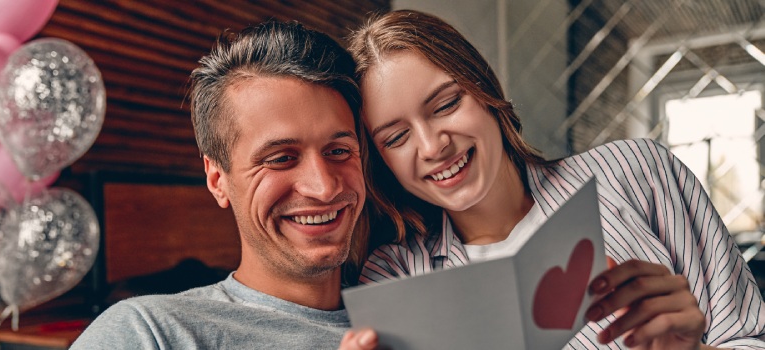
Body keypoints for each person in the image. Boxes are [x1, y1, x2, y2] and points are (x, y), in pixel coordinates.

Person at [348, 9, 765, 349]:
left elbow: (749, 337)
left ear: (483, 89)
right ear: (383, 160)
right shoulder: (395, 277)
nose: (432, 145)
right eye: (397, 137)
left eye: (446, 104)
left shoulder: (635, 173)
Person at [71, 20, 377, 349]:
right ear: (218, 179)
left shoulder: (411, 312)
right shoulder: (149, 332)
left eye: (338, 151)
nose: (324, 187)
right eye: (280, 158)